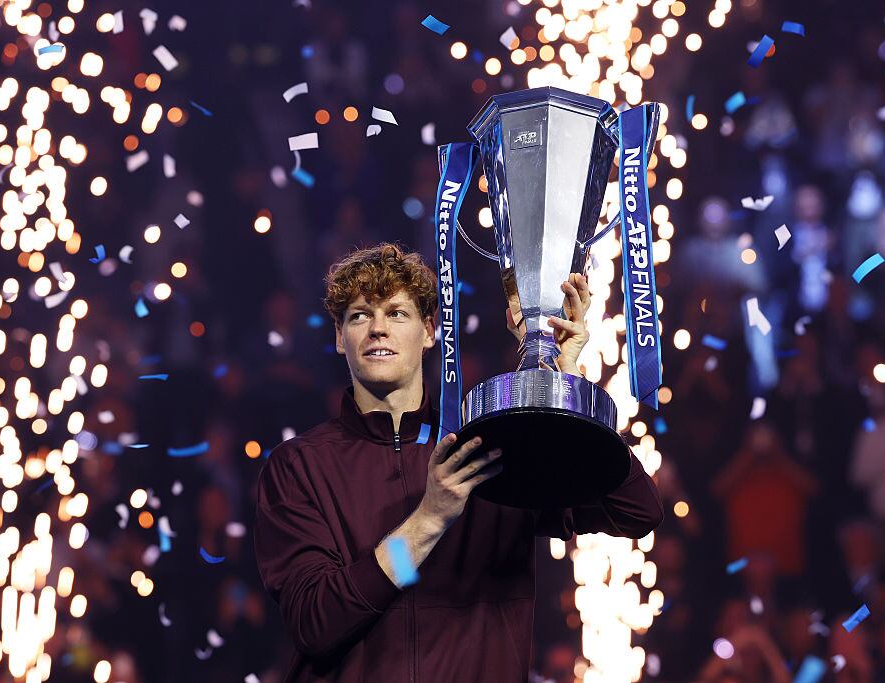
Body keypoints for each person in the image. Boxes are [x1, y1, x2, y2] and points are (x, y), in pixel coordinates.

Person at [252, 242, 663, 681]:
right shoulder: (299, 467)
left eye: (396, 313)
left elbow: (636, 511)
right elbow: (316, 625)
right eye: (359, 315)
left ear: (430, 332)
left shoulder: (493, 445)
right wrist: (429, 519)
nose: (377, 329)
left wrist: (567, 389)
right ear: (339, 338)